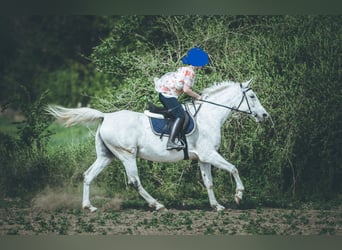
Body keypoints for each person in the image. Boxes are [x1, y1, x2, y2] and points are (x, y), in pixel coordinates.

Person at [154, 47, 209, 150]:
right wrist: (198, 97)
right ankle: (170, 142)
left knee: (178, 112)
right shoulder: (190, 72)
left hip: (165, 94)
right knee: (180, 115)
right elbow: (186, 90)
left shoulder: (185, 69)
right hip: (168, 95)